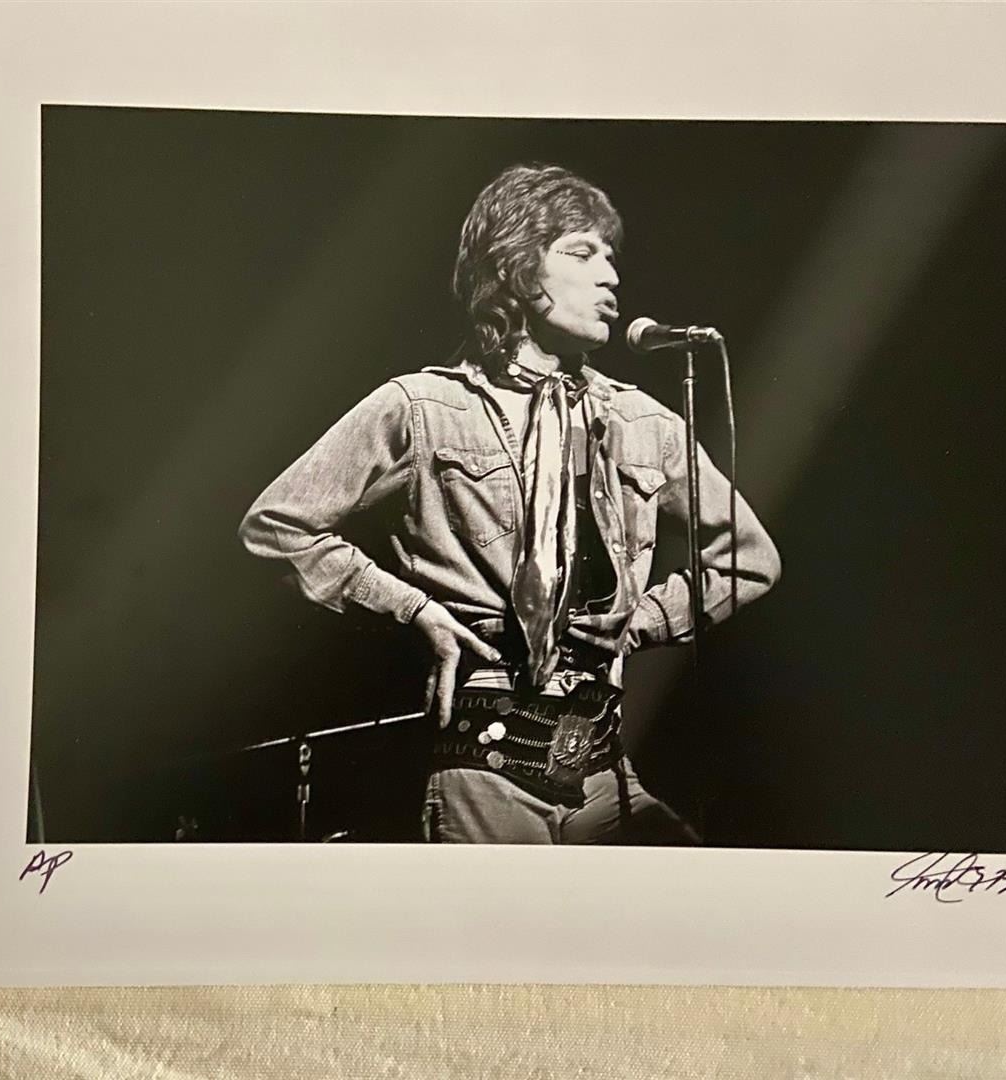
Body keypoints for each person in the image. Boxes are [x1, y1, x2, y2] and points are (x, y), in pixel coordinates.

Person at [239, 163, 780, 844]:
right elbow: (277, 526)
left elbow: (750, 558)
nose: (611, 276)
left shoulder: (644, 422)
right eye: (582, 253)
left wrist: (638, 624)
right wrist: (413, 610)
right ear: (517, 269)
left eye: (611, 257)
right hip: (484, 758)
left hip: (602, 761)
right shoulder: (424, 406)